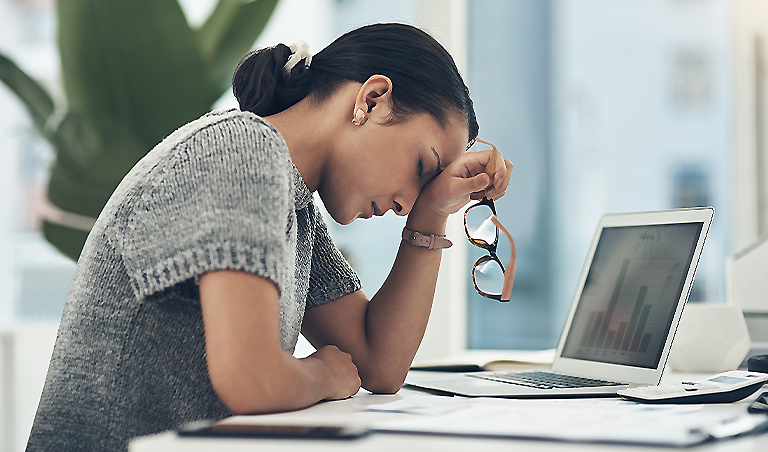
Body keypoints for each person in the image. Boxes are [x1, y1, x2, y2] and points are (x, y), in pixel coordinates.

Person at [26, 23, 512, 451]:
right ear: (371, 99)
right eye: (421, 168)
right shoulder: (243, 149)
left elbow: (379, 365)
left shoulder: (294, 204)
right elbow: (251, 380)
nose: (406, 200)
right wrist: (322, 374)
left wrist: (430, 216)